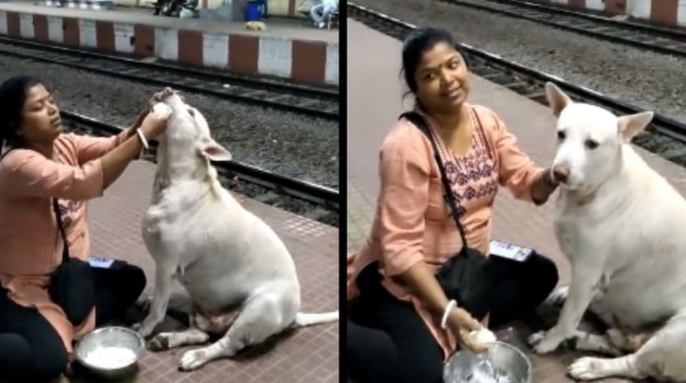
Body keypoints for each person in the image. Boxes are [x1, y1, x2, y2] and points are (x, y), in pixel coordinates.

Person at [346, 28, 561, 383]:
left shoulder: (486, 122)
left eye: (453, 65)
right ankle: (357, 318)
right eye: (430, 75)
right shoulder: (406, 146)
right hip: (409, 275)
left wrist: (554, 175)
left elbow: (527, 181)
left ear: (465, 64)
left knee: (542, 274)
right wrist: (448, 312)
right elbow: (399, 251)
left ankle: (451, 322)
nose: (448, 80)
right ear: (415, 87)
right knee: (423, 373)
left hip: (466, 268)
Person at [0, 75, 171, 383]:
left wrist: (143, 120)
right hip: (28, 285)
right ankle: (42, 332)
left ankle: (57, 327)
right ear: (16, 125)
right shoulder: (16, 165)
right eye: (38, 107)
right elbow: (85, 182)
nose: (52, 109)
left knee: (131, 279)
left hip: (70, 276)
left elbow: (116, 146)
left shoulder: (64, 145)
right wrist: (143, 137)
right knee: (47, 361)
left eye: (51, 100)